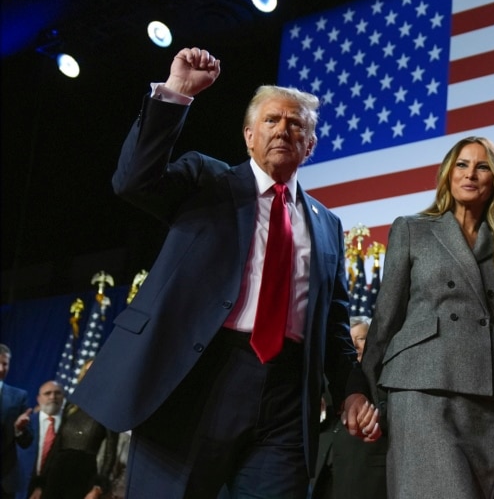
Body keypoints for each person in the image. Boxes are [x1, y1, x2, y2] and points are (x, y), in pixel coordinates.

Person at [69, 47, 379, 499]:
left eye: (296, 124)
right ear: (249, 136)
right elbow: (132, 181)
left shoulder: (327, 225)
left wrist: (351, 390)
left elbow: (333, 325)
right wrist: (176, 94)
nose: (283, 129)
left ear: (310, 145)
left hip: (286, 397)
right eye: (271, 120)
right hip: (195, 374)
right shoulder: (206, 181)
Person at [361, 136, 494, 499]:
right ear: (448, 174)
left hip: (488, 402)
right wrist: (364, 393)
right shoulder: (412, 229)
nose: (470, 173)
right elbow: (385, 320)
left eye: (482, 166)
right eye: (462, 164)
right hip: (421, 388)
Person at [27, 361, 118, 499]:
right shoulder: (71, 405)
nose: (92, 374)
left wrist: (98, 488)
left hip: (84, 475)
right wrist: (41, 485)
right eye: (87, 371)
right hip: (56, 473)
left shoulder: (109, 408)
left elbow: (110, 452)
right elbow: (56, 445)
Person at [331, 316, 388, 499]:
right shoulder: (335, 377)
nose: (354, 345)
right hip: (327, 468)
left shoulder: (384, 375)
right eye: (351, 340)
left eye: (361, 339)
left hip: (365, 471)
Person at [17, 381, 64, 499]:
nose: (52, 397)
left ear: (63, 397)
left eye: (57, 393)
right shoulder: (25, 423)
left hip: (54, 490)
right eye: (47, 393)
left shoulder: (71, 426)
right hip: (21, 489)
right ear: (38, 398)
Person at [1, 344, 32, 499]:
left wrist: (19, 429)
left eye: (5, 364)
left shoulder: (19, 397)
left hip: (4, 480)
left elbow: (27, 441)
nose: (1, 369)